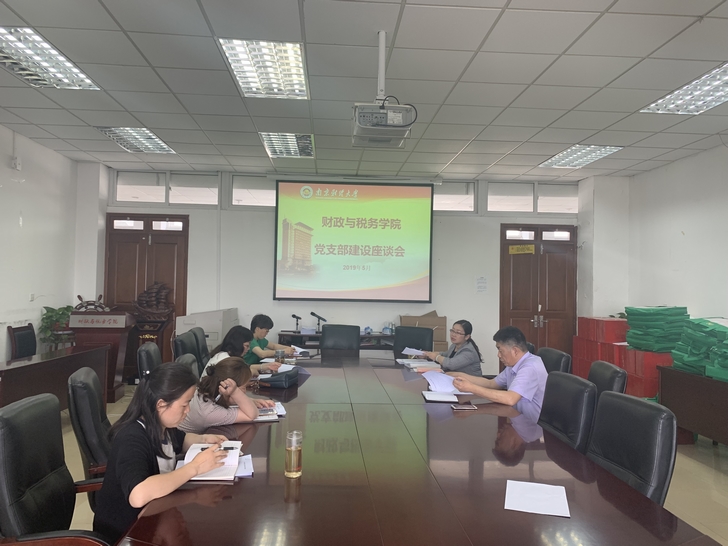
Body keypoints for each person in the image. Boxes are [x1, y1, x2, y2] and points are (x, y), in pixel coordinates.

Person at [93, 363, 229, 543]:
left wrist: (204, 439)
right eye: (185, 404)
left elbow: (182, 440)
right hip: (128, 532)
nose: (188, 410)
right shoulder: (131, 438)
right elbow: (138, 495)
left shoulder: (161, 425)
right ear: (161, 405)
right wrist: (195, 468)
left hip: (155, 514)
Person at [451, 326, 547, 421]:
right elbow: (491, 384)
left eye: (500, 350)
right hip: (516, 417)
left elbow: (510, 399)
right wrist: (460, 375)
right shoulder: (513, 364)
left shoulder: (530, 367)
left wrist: (471, 388)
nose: (498, 355)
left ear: (515, 351)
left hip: (530, 424)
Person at [179, 356, 259, 433]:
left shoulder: (207, 391)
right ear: (227, 388)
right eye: (244, 388)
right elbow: (252, 415)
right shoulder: (210, 411)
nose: (245, 392)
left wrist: (250, 400)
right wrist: (235, 392)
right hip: (183, 441)